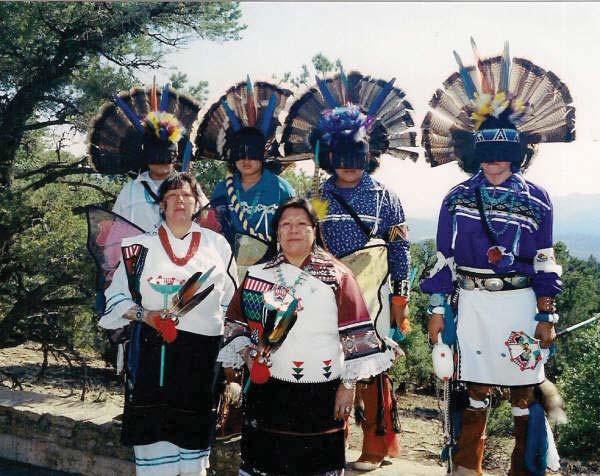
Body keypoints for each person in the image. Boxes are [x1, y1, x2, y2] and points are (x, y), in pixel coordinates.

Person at [420, 39, 575, 476]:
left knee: (525, 390)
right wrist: (436, 309)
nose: (494, 163)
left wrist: (547, 315)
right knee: (475, 386)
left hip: (521, 303)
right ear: (474, 153)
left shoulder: (537, 199)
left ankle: (524, 469)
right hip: (472, 304)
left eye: (503, 154)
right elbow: (443, 259)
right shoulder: (457, 197)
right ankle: (468, 469)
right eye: (487, 154)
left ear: (518, 153)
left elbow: (544, 259)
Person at [281, 71, 418, 470]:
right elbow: (309, 243)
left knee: (372, 367)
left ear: (368, 155)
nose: (349, 166)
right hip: (326, 294)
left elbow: (400, 249)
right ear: (329, 157)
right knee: (332, 367)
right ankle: (330, 442)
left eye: (356, 158)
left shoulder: (385, 197)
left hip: (373, 296)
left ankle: (376, 446)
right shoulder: (318, 197)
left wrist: (400, 301)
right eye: (341, 158)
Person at [218, 198, 397, 476]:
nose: (294, 230)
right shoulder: (257, 275)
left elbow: (358, 334)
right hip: (268, 388)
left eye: (302, 224)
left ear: (315, 230)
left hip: (321, 391)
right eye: (286, 224)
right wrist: (247, 354)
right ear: (276, 231)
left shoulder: (338, 277)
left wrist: (348, 386)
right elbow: (235, 323)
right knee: (264, 464)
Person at [99, 172, 237, 476]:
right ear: (162, 204)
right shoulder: (138, 247)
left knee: (192, 450)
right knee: (154, 447)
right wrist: (145, 316)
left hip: (201, 357)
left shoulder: (218, 246)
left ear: (197, 203)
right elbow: (116, 297)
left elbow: (231, 302)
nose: (179, 201)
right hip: (153, 353)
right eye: (171, 195)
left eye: (186, 195)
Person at [195, 77, 300, 439]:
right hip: (228, 276)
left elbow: (291, 231)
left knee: (264, 341)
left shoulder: (281, 188)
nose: (245, 159)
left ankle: (263, 413)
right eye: (239, 152)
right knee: (230, 340)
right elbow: (211, 231)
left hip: (268, 275)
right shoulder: (222, 189)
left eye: (252, 152)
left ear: (264, 155)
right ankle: (229, 412)